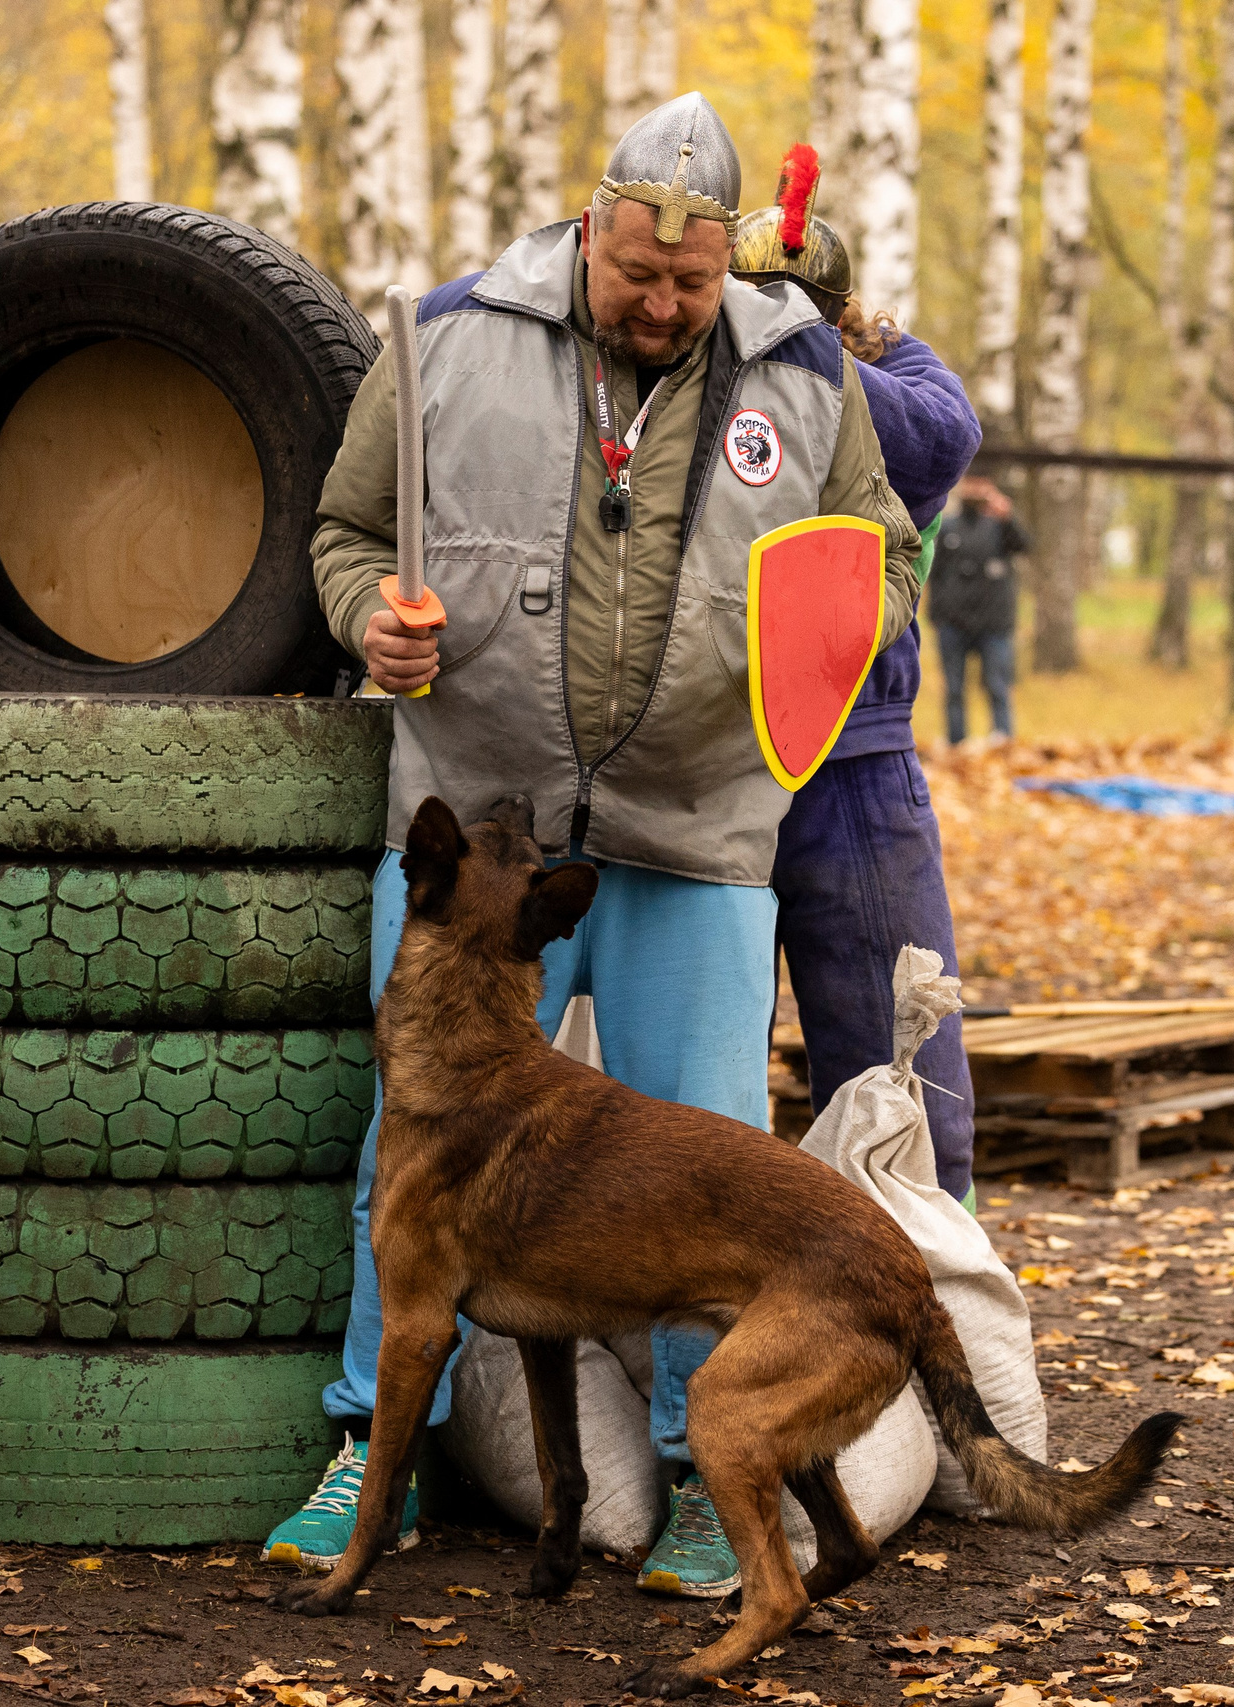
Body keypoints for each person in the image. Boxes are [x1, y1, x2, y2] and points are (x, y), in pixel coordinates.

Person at [272, 92, 923, 1600]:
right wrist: (372, 619)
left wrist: (836, 634)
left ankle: (714, 1483)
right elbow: (344, 529)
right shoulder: (444, 339)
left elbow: (881, 551)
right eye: (640, 272)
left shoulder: (806, 373)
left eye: (694, 284)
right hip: (477, 841)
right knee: (408, 1147)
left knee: (701, 1154)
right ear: (593, 227)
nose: (665, 303)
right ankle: (372, 1444)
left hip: (696, 825)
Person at [726, 145, 984, 1203]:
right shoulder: (867, 390)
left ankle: (917, 1281)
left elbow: (943, 430)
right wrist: (864, 333)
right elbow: (947, 422)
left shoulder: (734, 390)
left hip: (808, 763)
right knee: (884, 1068)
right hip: (810, 764)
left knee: (889, 1064)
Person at [924, 477, 1028, 748]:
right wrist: (936, 614)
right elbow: (933, 573)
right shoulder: (947, 527)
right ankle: (956, 740)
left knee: (997, 684)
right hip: (953, 622)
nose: (974, 491)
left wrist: (1008, 517)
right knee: (954, 688)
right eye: (969, 485)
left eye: (981, 486)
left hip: (994, 623)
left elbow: (1024, 546)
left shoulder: (999, 527)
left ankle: (1002, 738)